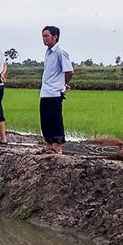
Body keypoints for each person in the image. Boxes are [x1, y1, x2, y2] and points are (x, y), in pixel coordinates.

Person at [40, 25, 74, 154]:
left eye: (46, 36)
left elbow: (69, 71)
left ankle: (57, 145)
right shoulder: (48, 53)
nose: (44, 39)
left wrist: (63, 84)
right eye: (43, 36)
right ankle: (49, 143)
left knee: (55, 119)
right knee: (45, 119)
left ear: (55, 37)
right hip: (45, 91)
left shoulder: (60, 52)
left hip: (54, 91)